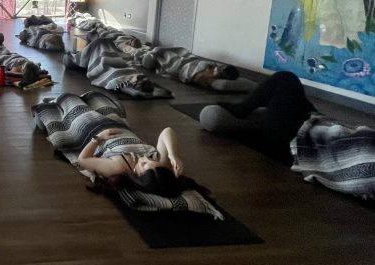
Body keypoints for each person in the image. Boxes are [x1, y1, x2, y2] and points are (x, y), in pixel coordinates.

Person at [201, 72, 375, 198]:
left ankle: (243, 109)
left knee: (286, 79)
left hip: (297, 140)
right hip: (319, 127)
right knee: (297, 99)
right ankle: (273, 109)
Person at [35, 91, 187, 198]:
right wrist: (174, 155)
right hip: (116, 124)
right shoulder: (158, 167)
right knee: (96, 97)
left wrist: (98, 138)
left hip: (90, 129)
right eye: (151, 160)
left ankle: (51, 106)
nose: (144, 159)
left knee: (67, 98)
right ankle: (62, 103)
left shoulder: (119, 167)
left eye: (143, 164)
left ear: (139, 177)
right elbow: (167, 131)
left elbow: (83, 161)